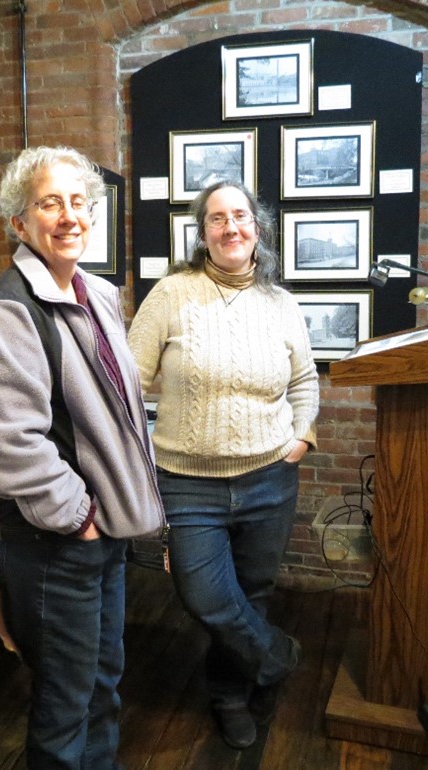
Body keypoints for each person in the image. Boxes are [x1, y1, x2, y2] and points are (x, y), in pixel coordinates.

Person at [0, 145, 166, 770]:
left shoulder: (97, 294)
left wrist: (109, 515)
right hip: (54, 541)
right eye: (50, 203)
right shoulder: (9, 309)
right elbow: (6, 440)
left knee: (103, 680)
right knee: (63, 698)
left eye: (79, 202)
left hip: (99, 533)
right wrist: (77, 516)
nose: (69, 215)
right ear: (20, 223)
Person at [127, 180, 319, 749]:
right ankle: (275, 656)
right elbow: (128, 384)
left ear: (257, 226)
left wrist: (301, 440)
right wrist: (139, 455)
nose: (230, 227)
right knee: (206, 595)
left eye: (240, 215)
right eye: (217, 218)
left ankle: (231, 694)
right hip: (188, 484)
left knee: (251, 594)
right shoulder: (171, 294)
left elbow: (305, 381)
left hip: (269, 477)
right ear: (202, 232)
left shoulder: (281, 303)